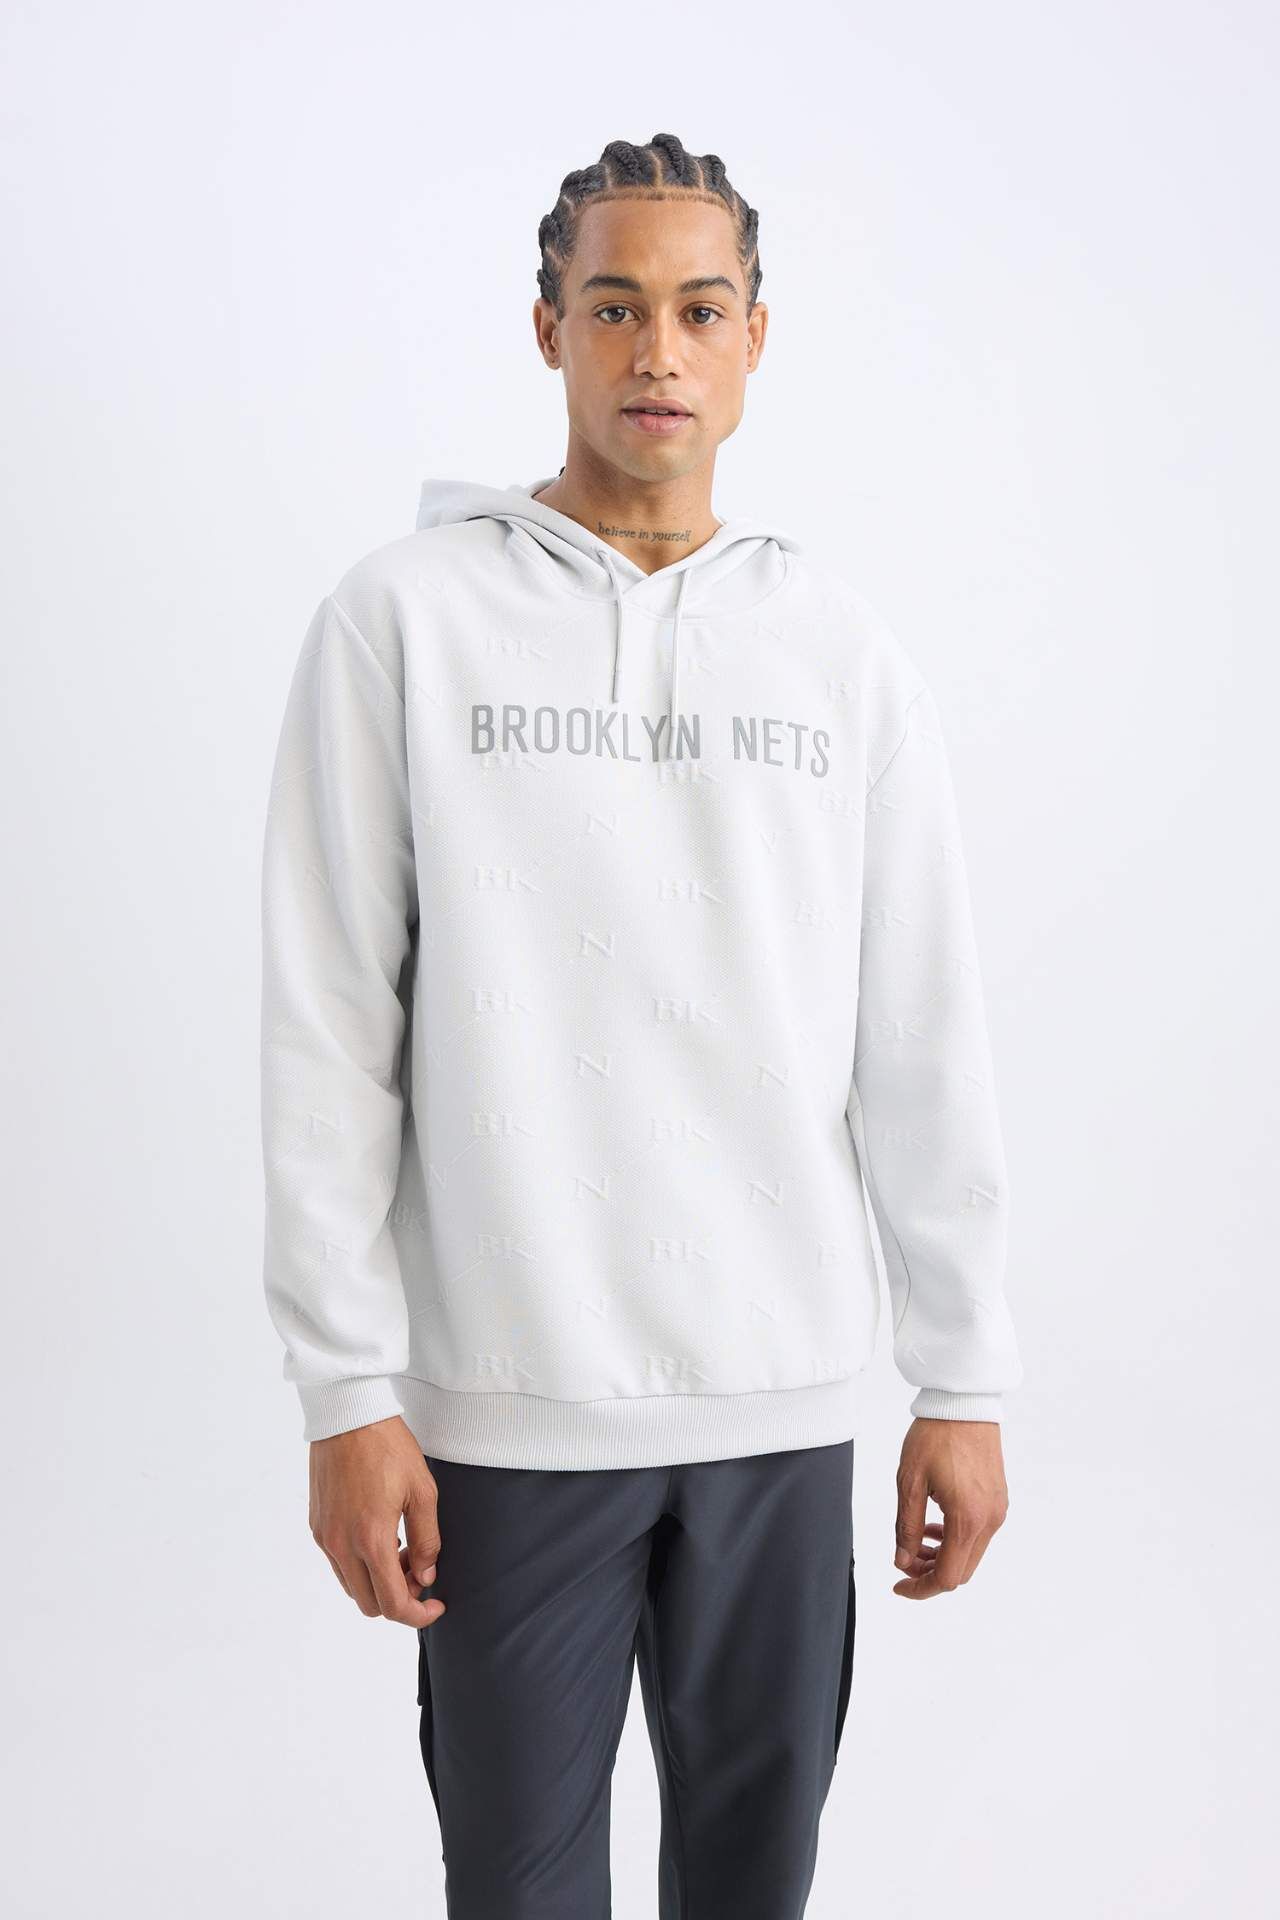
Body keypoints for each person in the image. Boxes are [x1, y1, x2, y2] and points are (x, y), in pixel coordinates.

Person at [259, 131, 1023, 1918]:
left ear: (756, 335)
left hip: (782, 1402)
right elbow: (326, 1025)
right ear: (550, 330)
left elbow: (922, 1027)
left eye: (697, 309)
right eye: (613, 308)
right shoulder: (403, 623)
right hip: (506, 1411)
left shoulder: (840, 653)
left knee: (754, 1885)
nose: (656, 351)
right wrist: (346, 1391)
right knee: (518, 1891)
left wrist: (965, 1375)